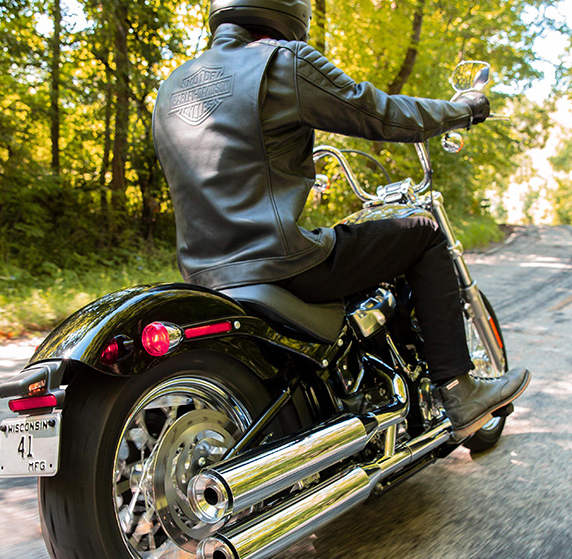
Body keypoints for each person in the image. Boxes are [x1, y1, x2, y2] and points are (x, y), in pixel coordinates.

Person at [152, 0, 529, 439]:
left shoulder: (173, 86)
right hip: (284, 264)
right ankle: (458, 389)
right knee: (422, 232)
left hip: (206, 275)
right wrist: (462, 110)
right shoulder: (279, 62)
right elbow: (381, 113)